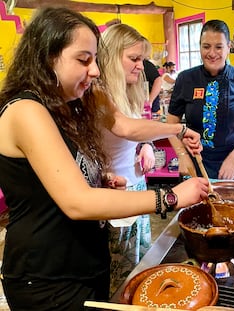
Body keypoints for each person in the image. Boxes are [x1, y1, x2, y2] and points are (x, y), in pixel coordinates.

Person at [0, 7, 209, 311]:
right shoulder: (26, 111)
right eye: (84, 60)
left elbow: (57, 180)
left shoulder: (65, 106)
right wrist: (171, 197)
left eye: (95, 59)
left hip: (81, 264)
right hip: (46, 277)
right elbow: (76, 202)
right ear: (47, 57)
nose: (95, 70)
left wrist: (99, 179)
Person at [97, 23, 159, 296]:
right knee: (118, 275)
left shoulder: (130, 91)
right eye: (133, 59)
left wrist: (145, 145)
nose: (140, 66)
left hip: (137, 186)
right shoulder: (98, 93)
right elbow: (125, 128)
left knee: (136, 266)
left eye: (142, 59)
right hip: (113, 193)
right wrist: (178, 130)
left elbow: (138, 129)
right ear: (111, 58)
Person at [167, 19, 234, 180]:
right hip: (196, 163)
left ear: (228, 47)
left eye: (218, 47)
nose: (212, 53)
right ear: (200, 47)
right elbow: (171, 124)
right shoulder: (185, 79)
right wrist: (182, 154)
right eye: (206, 46)